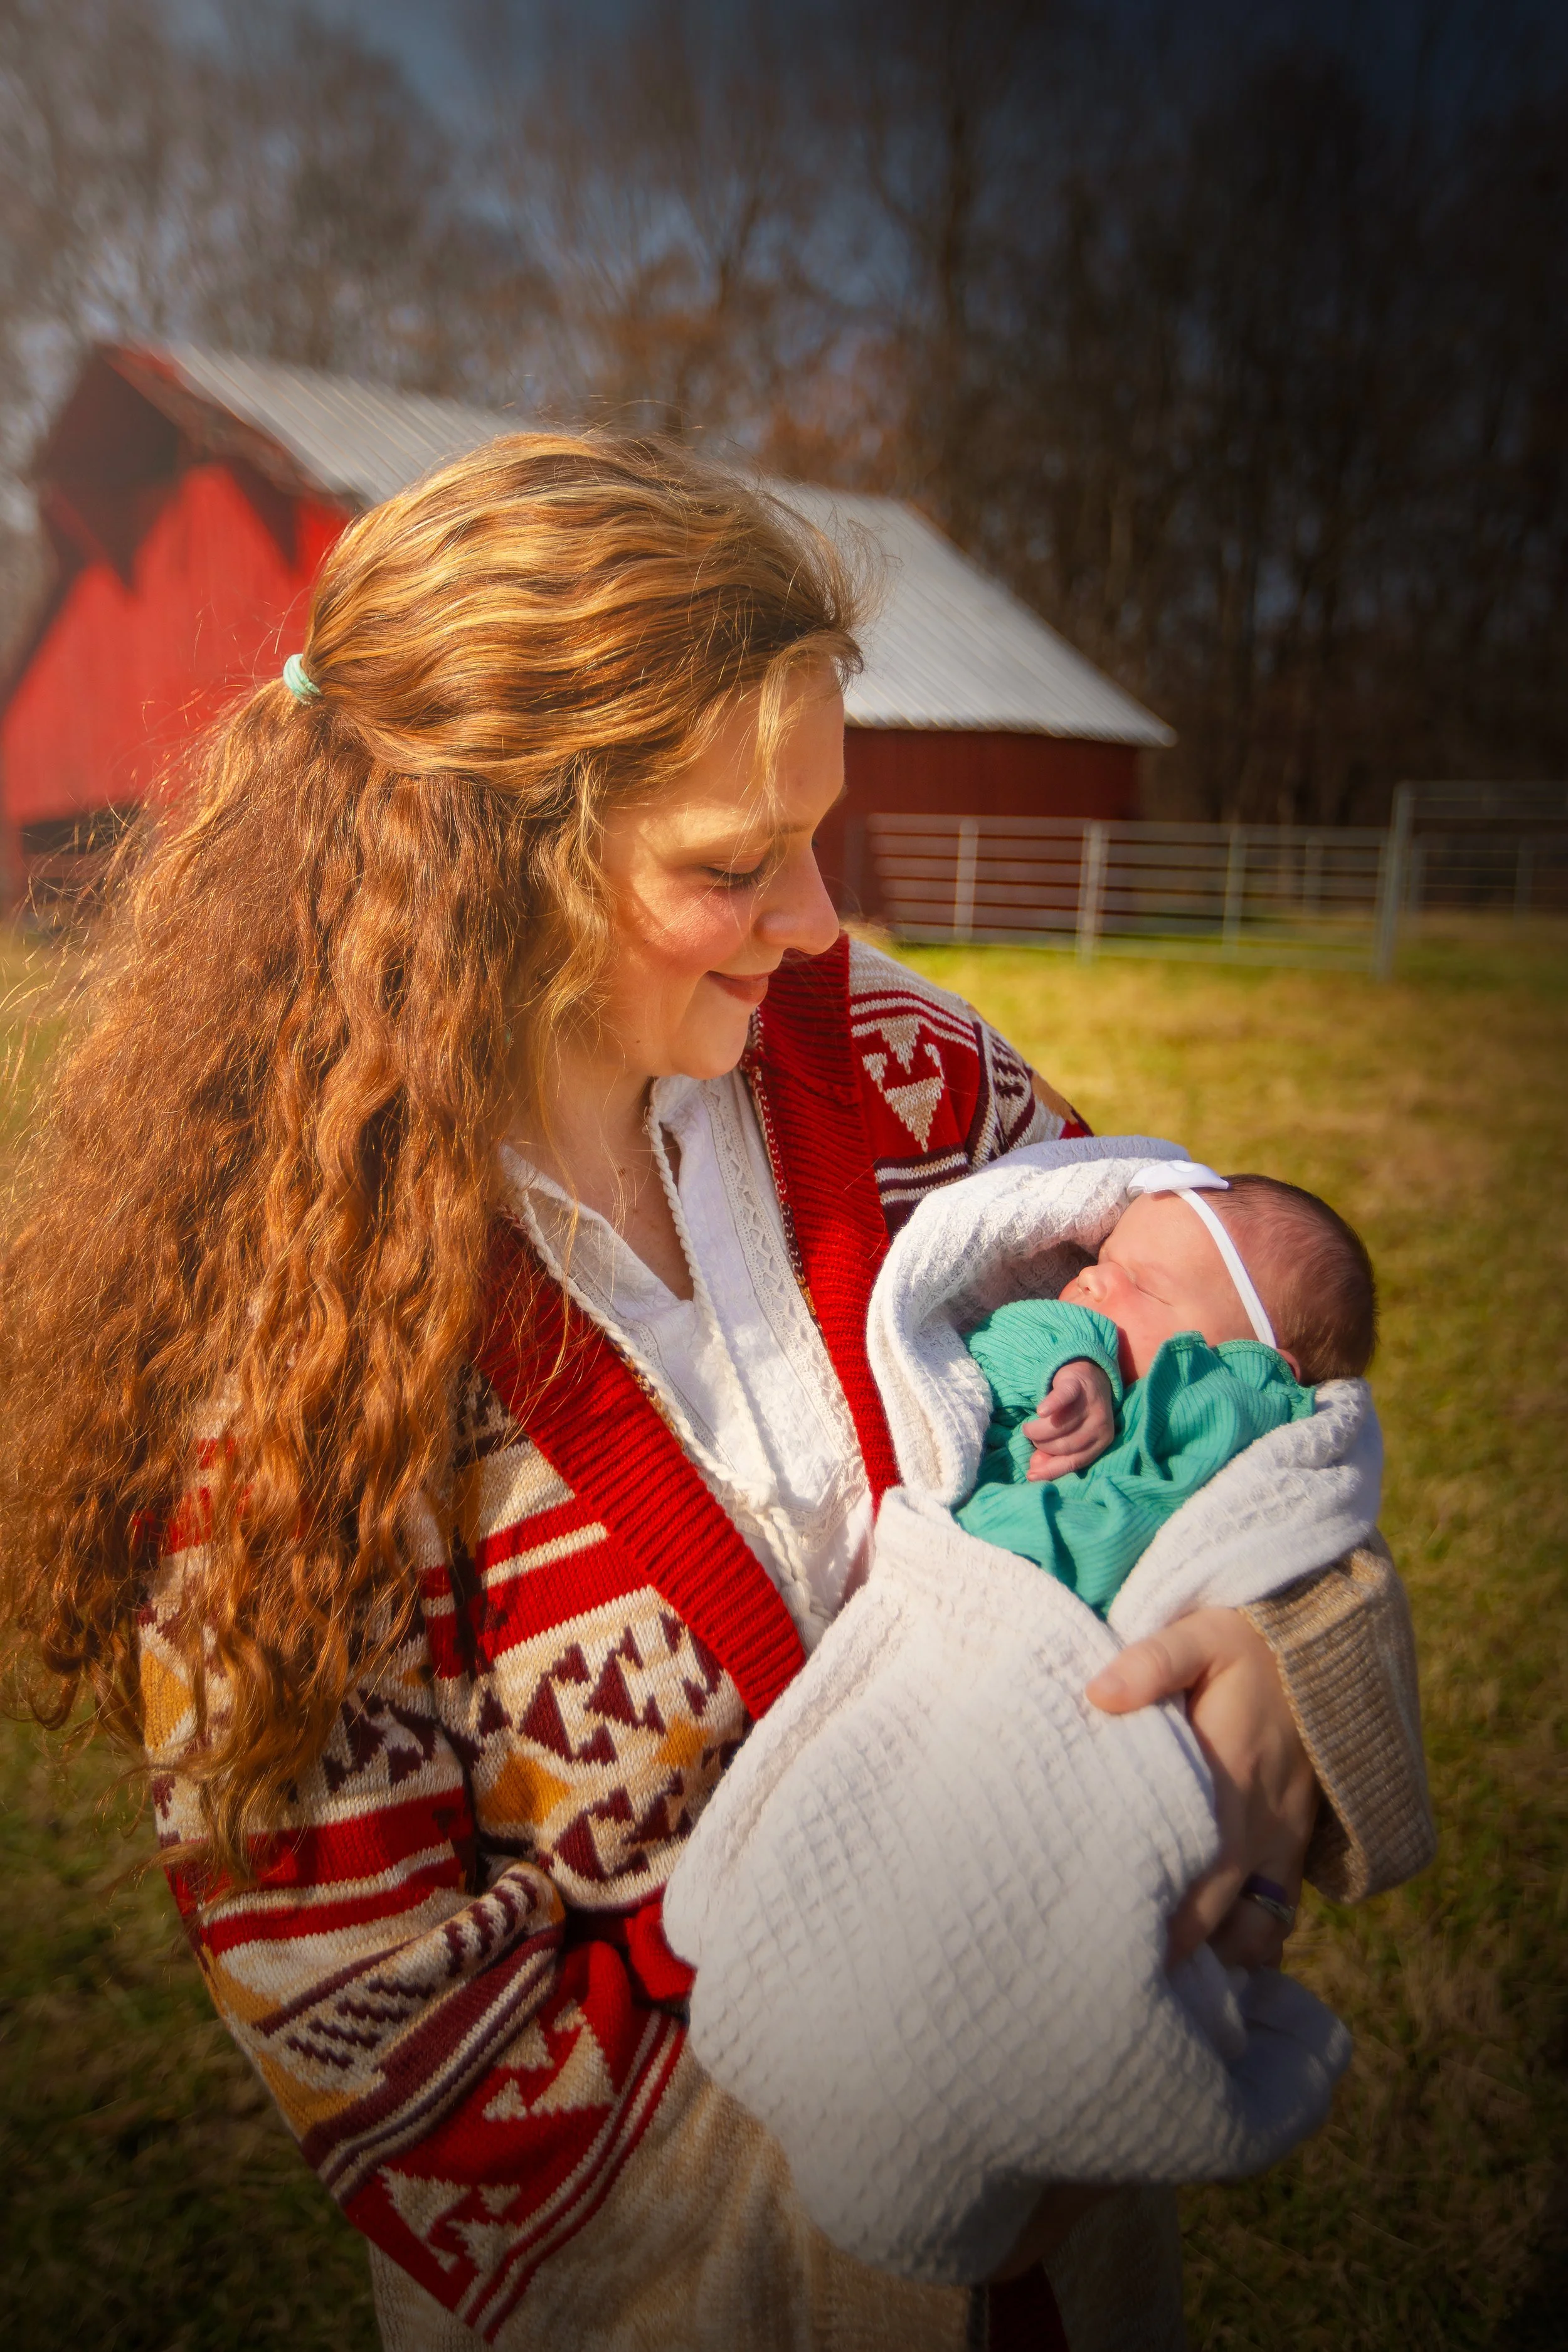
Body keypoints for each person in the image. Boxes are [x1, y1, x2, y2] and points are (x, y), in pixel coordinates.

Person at [0, 434, 1435, 2352]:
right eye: (731, 863)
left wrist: (1293, 1639)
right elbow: (381, 2021)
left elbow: (1235, 1367)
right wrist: (935, 2177)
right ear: (475, 863)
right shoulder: (296, 1366)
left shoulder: (896, 1076)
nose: (818, 919)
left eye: (819, 833)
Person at [956, 1168, 1376, 1607]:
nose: (1091, 1278)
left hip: (1003, 1573)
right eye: (1103, 1260)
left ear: (1252, 1363)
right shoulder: (1076, 1345)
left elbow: (1118, 1535)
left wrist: (966, 1536)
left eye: (1143, 1284)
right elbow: (983, 1347)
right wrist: (1074, 1362)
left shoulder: (1219, 1411)